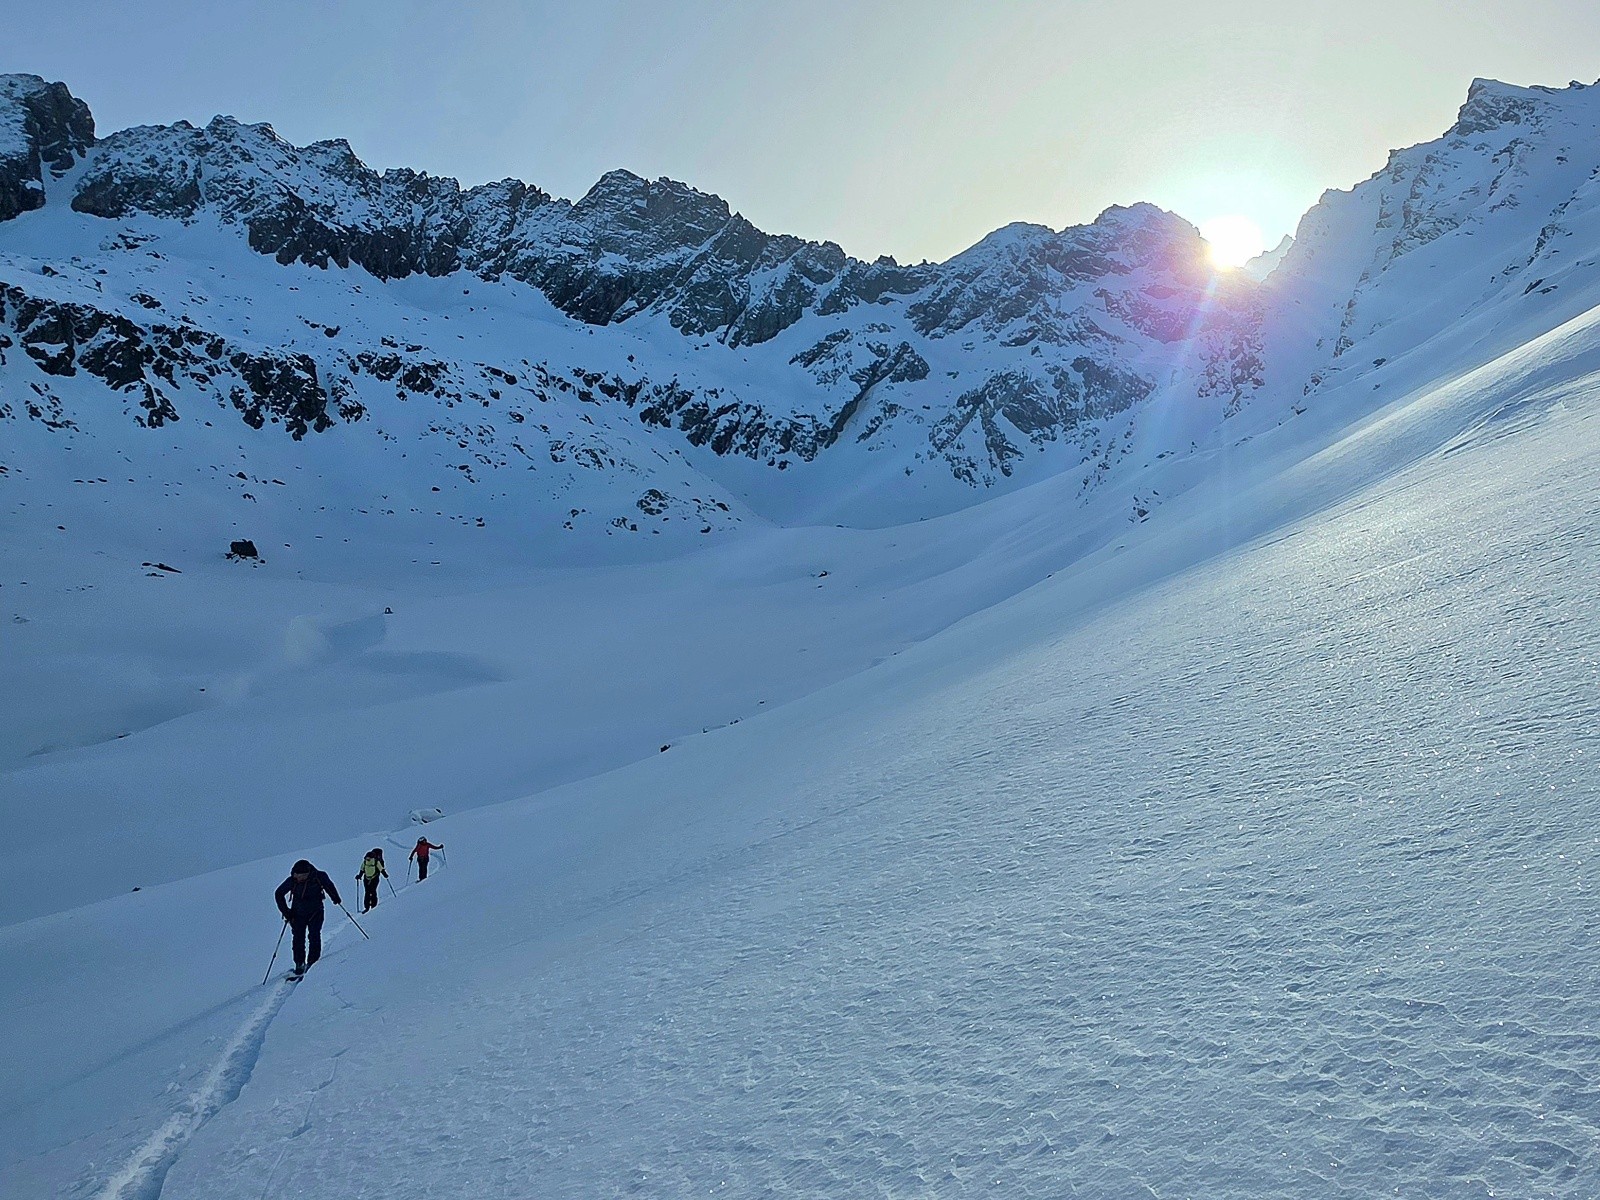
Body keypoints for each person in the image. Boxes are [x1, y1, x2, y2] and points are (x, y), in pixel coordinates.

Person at [274, 859, 342, 975]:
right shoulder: (292, 880)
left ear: (307, 873)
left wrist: (335, 897)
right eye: (295, 875)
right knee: (298, 939)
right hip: (297, 914)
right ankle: (299, 964)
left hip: (316, 912)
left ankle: (313, 962)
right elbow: (278, 893)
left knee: (314, 935)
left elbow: (329, 886)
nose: (297, 878)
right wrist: (287, 912)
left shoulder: (319, 876)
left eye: (300, 876)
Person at [356, 848, 388, 912]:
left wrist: (359, 876)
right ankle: (373, 905)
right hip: (375, 878)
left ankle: (367, 907)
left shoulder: (365, 862)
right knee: (373, 891)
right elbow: (381, 869)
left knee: (367, 892)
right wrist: (385, 875)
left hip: (366, 879)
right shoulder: (376, 861)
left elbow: (362, 870)